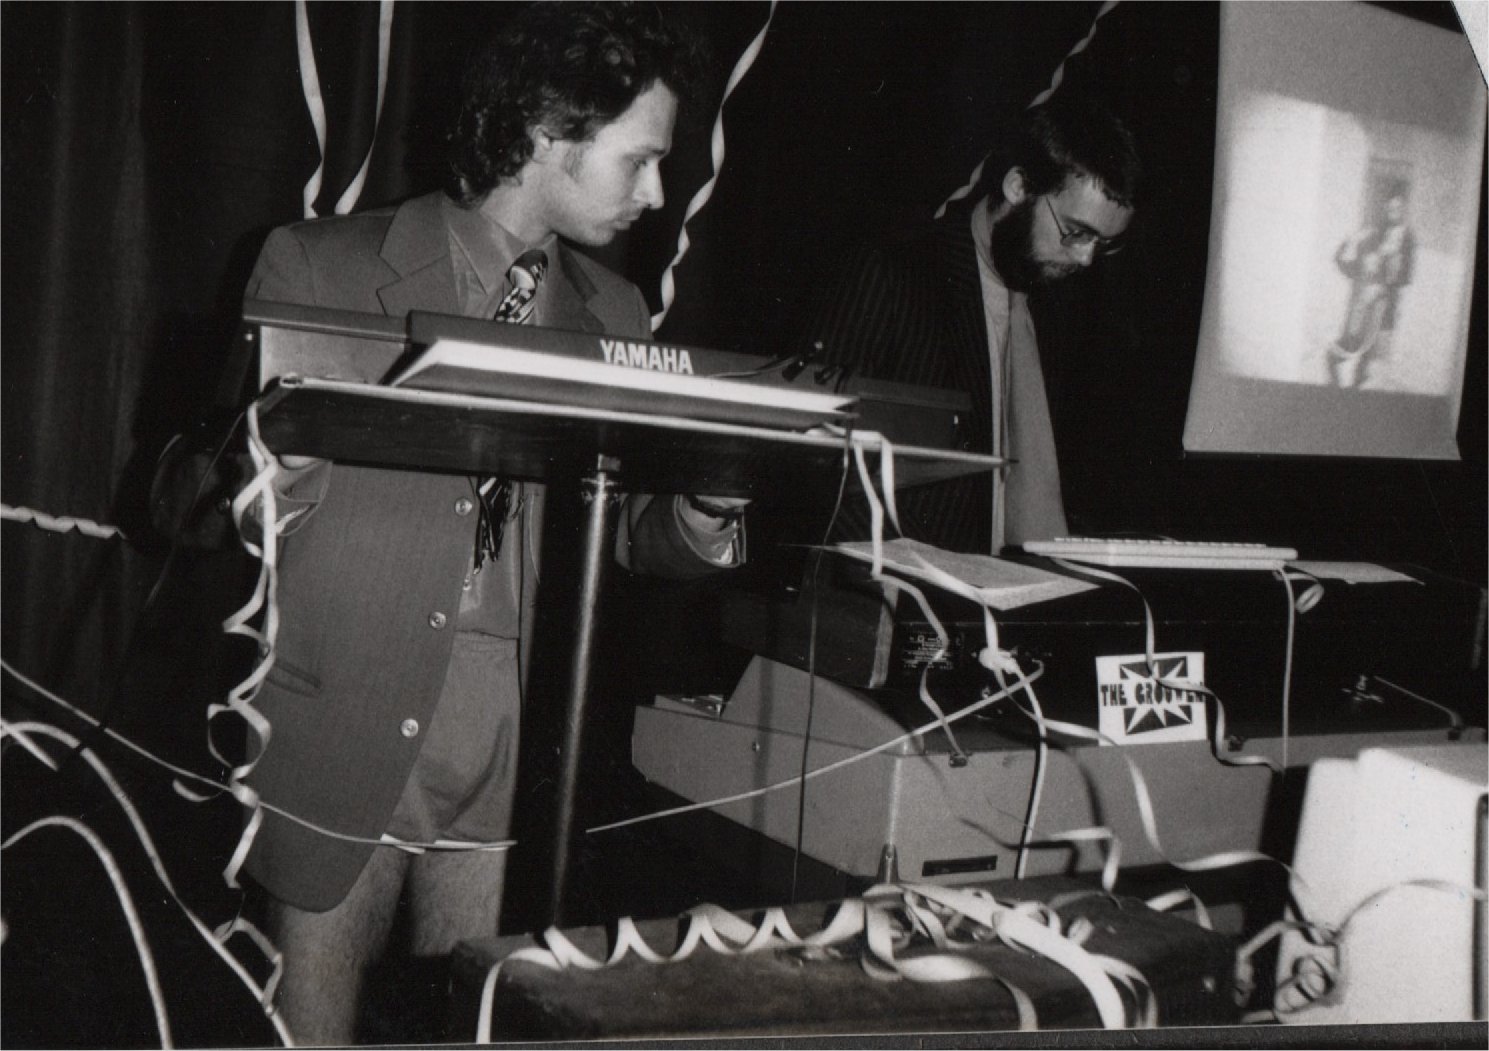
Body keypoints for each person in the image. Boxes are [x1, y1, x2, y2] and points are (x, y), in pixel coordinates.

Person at [231, 5, 744, 1043]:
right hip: (347, 724)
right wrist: (277, 472)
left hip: (518, 746)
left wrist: (697, 514)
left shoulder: (616, 314)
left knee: (485, 1031)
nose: (656, 193)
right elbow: (237, 511)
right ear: (549, 134)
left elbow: (622, 531)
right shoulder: (318, 266)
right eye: (641, 159)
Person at [797, 93, 1141, 554]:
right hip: (904, 586)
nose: (1085, 259)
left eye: (1103, 243)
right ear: (1018, 187)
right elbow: (819, 466)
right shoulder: (894, 273)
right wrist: (916, 580)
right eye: (1077, 232)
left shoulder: (1061, 309)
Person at [1328, 188, 1414, 389]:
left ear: (1404, 209)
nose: (1394, 212)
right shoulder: (1374, 237)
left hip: (1381, 314)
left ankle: (1355, 386)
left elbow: (1404, 278)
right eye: (1391, 208)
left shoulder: (1406, 239)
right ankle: (1342, 389)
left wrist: (1382, 287)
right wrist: (1346, 244)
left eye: (1399, 208)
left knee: (1364, 367)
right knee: (1338, 356)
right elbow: (1350, 266)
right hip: (1361, 313)